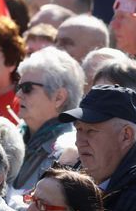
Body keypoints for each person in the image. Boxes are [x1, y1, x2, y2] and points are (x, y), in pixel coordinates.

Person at [12, 47, 83, 192]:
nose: (18, 94)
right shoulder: (12, 137)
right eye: (18, 86)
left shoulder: (70, 150)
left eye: (27, 88)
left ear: (59, 97)